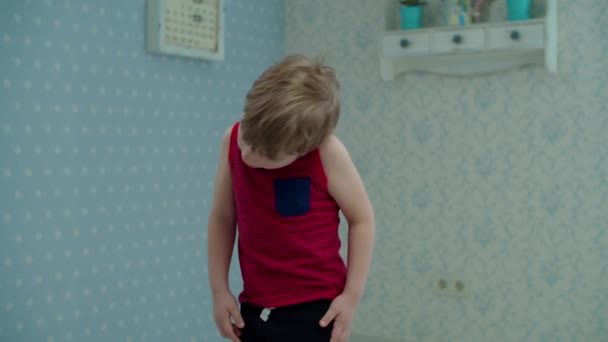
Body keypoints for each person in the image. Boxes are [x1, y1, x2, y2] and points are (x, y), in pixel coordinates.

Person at [207, 54, 375, 342]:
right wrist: (219, 290)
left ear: (305, 147)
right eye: (250, 139)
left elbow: (362, 219)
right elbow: (223, 217)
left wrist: (351, 297)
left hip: (317, 307)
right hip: (256, 304)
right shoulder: (232, 140)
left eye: (267, 154)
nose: (249, 155)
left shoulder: (327, 153)